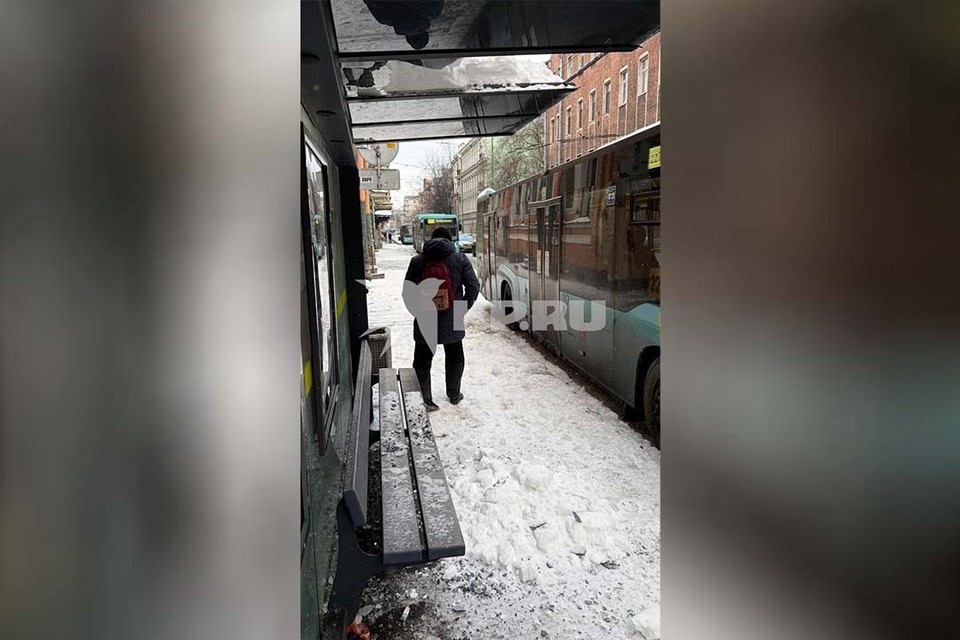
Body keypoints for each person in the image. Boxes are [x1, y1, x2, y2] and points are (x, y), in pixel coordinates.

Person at [403, 226, 480, 411]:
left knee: (422, 360)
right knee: (455, 357)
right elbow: (473, 287)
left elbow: (408, 292)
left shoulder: (418, 261)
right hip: (452, 316)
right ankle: (454, 394)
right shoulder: (460, 259)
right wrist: (461, 309)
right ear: (449, 241)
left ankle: (426, 399)